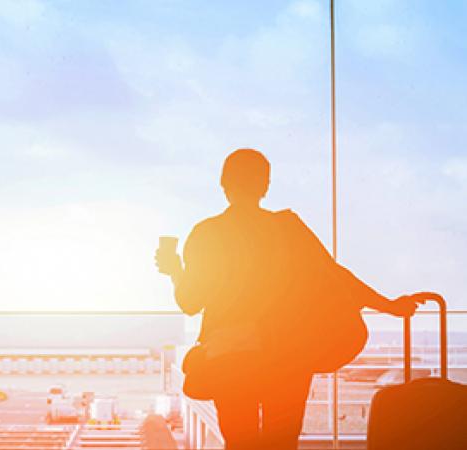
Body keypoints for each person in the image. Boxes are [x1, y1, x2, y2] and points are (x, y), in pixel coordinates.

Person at [155, 148, 424, 450]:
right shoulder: (288, 228)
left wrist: (175, 271)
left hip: (230, 357)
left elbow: (190, 302)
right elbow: (336, 277)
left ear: (223, 182)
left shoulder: (207, 233)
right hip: (287, 356)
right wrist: (388, 305)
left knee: (241, 442)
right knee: (281, 442)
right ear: (265, 185)